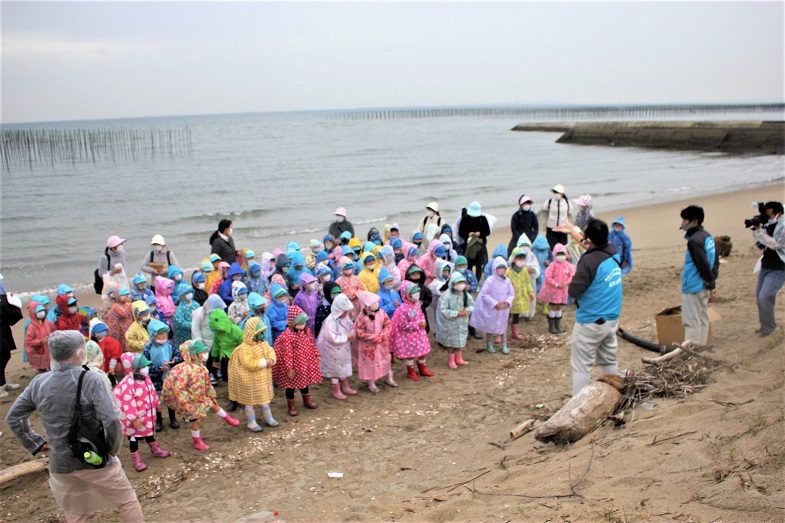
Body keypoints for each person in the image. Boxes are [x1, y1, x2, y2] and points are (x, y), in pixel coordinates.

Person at [6, 330, 144, 522]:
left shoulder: (39, 382)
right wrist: (113, 447)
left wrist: (35, 443)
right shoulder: (92, 379)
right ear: (79, 352)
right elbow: (111, 418)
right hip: (94, 456)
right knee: (127, 501)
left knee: (75, 512)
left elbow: (13, 417)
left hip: (60, 462)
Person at [559, 219, 623, 395]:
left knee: (581, 365)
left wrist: (570, 280)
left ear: (590, 239)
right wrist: (572, 231)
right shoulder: (612, 251)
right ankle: (614, 394)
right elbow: (592, 246)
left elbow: (574, 291)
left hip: (591, 320)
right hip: (611, 317)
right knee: (609, 358)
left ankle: (578, 402)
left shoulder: (588, 262)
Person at [162, 339, 240, 451]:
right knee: (196, 421)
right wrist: (184, 403)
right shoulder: (185, 370)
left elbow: (207, 384)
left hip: (201, 397)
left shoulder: (202, 368)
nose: (205, 354)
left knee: (214, 405)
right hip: (191, 401)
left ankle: (228, 419)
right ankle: (197, 441)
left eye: (205, 351)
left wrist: (212, 395)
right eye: (202, 352)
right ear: (193, 355)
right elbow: (180, 388)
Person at [113, 353, 171, 472]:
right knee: (134, 438)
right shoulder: (128, 385)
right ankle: (136, 459)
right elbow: (128, 403)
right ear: (134, 369)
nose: (146, 368)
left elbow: (152, 391)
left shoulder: (145, 378)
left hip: (147, 414)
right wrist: (134, 418)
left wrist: (156, 403)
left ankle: (156, 450)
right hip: (135, 418)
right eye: (143, 366)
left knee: (149, 433)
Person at [228, 317, 279, 432]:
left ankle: (269, 418)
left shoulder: (264, 343)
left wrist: (271, 359)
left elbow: (271, 351)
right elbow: (248, 363)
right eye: (259, 333)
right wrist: (265, 362)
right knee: (249, 402)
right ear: (252, 333)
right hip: (249, 380)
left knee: (265, 400)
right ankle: (251, 422)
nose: (262, 335)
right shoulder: (244, 348)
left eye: (262, 332)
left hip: (263, 378)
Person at [680, 205, 720, 345]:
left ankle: (691, 350)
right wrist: (712, 281)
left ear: (695, 221)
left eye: (685, 220)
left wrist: (709, 281)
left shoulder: (694, 241)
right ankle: (700, 348)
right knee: (703, 319)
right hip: (703, 285)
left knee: (692, 321)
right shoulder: (708, 236)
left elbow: (702, 263)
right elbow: (715, 261)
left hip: (693, 286)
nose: (683, 223)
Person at [272, 306, 322, 416]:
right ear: (293, 322)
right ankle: (291, 406)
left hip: (304, 363)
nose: (303, 324)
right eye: (301, 322)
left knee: (304, 383)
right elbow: (287, 353)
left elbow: (311, 344)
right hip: (293, 365)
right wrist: (289, 368)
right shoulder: (287, 335)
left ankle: (307, 401)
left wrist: (316, 355)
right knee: (290, 386)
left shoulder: (306, 331)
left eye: (304, 322)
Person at [751, 201, 784, 336]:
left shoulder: (783, 227)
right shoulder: (768, 225)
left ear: (778, 214)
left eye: (769, 215)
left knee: (765, 297)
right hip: (766, 265)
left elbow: (775, 244)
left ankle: (770, 328)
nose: (767, 217)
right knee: (759, 297)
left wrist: (760, 232)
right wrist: (757, 229)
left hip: (779, 268)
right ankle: (765, 325)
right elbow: (761, 242)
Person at [389, 280, 434, 381]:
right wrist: (416, 324)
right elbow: (402, 325)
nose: (416, 294)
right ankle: (411, 371)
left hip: (420, 333)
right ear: (406, 295)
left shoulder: (417, 304)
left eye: (417, 292)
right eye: (413, 293)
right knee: (410, 355)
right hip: (409, 336)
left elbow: (421, 314)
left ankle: (423, 368)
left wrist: (423, 322)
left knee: (423, 351)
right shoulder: (403, 309)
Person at [142, 320, 182, 431]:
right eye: (160, 333)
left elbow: (177, 354)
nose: (164, 335)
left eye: (165, 332)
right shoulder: (148, 348)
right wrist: (158, 368)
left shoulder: (168, 345)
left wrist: (174, 360)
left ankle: (172, 419)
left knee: (170, 398)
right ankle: (158, 421)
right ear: (153, 335)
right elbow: (144, 366)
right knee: (157, 400)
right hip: (155, 379)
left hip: (168, 377)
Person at [469, 257, 514, 354]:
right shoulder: (490, 280)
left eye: (503, 267)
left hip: (504, 309)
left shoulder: (507, 281)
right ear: (494, 268)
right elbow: (484, 294)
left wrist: (507, 302)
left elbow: (511, 294)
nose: (501, 270)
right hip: (493, 309)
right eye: (499, 267)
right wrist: (494, 303)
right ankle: (489, 344)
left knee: (503, 327)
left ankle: (504, 345)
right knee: (490, 326)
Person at [316, 294, 357, 399]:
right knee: (335, 369)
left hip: (343, 347)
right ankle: (336, 389)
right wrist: (346, 337)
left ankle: (345, 386)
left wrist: (352, 333)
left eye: (346, 312)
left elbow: (350, 326)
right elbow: (331, 337)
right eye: (344, 312)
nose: (346, 314)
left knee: (343, 366)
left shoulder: (346, 318)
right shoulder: (330, 321)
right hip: (331, 349)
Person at [354, 291, 395, 392]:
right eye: (373, 303)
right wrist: (373, 337)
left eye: (376, 302)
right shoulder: (362, 317)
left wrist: (383, 335)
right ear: (366, 305)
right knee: (370, 364)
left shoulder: (382, 312)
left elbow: (388, 324)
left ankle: (388, 377)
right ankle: (371, 383)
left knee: (385, 360)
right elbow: (359, 332)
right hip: (369, 346)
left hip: (382, 343)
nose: (376, 304)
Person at [435, 272, 475, 369]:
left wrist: (467, 311)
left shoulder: (465, 294)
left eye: (462, 282)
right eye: (458, 283)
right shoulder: (446, 296)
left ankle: (459, 358)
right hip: (450, 324)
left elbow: (471, 305)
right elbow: (443, 310)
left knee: (459, 341)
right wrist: (456, 313)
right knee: (451, 343)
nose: (461, 285)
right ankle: (451, 361)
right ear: (452, 283)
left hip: (461, 323)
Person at [209, 309, 244, 409]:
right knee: (229, 379)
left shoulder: (235, 330)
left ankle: (242, 399)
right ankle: (233, 399)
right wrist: (215, 359)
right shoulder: (217, 334)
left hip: (236, 358)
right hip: (224, 358)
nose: (219, 331)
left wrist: (241, 357)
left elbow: (243, 344)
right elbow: (216, 346)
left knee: (239, 379)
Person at [538, 244, 575, 334]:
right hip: (553, 291)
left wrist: (567, 282)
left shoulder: (567, 265)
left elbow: (572, 275)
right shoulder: (552, 265)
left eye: (562, 254)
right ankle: (552, 326)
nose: (561, 256)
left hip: (563, 290)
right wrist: (556, 284)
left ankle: (558, 325)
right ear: (555, 254)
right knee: (553, 307)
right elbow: (548, 277)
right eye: (558, 254)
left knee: (559, 307)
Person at [190, 294, 227, 384]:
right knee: (205, 358)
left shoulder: (220, 311)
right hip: (204, 339)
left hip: (216, 338)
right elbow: (195, 327)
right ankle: (208, 375)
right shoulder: (200, 313)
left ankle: (215, 371)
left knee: (216, 357)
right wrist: (198, 340)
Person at [458, 201, 491, 282]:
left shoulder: (482, 219)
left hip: (479, 247)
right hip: (468, 247)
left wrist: (480, 233)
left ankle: (477, 281)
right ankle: (470, 281)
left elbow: (487, 231)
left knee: (479, 265)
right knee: (469, 265)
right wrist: (468, 234)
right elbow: (460, 232)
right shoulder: (465, 219)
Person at [507, 248, 536, 340]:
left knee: (516, 315)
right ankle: (501, 334)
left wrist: (530, 292)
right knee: (506, 316)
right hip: (509, 298)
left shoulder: (524, 271)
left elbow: (528, 283)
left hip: (520, 298)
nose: (521, 261)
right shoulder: (508, 271)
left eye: (523, 259)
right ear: (514, 259)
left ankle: (515, 333)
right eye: (519, 259)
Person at [89, 319, 123, 385]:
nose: (102, 333)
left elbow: (114, 356)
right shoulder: (92, 344)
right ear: (93, 334)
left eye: (103, 331)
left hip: (108, 371)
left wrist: (111, 367)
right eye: (99, 331)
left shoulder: (111, 342)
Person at [539, 184, 573, 250]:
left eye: (558, 192)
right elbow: (543, 210)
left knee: (563, 248)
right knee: (551, 248)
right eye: (555, 192)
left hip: (563, 229)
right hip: (551, 229)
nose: (556, 194)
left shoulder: (567, 202)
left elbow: (569, 212)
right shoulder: (549, 202)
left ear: (562, 194)